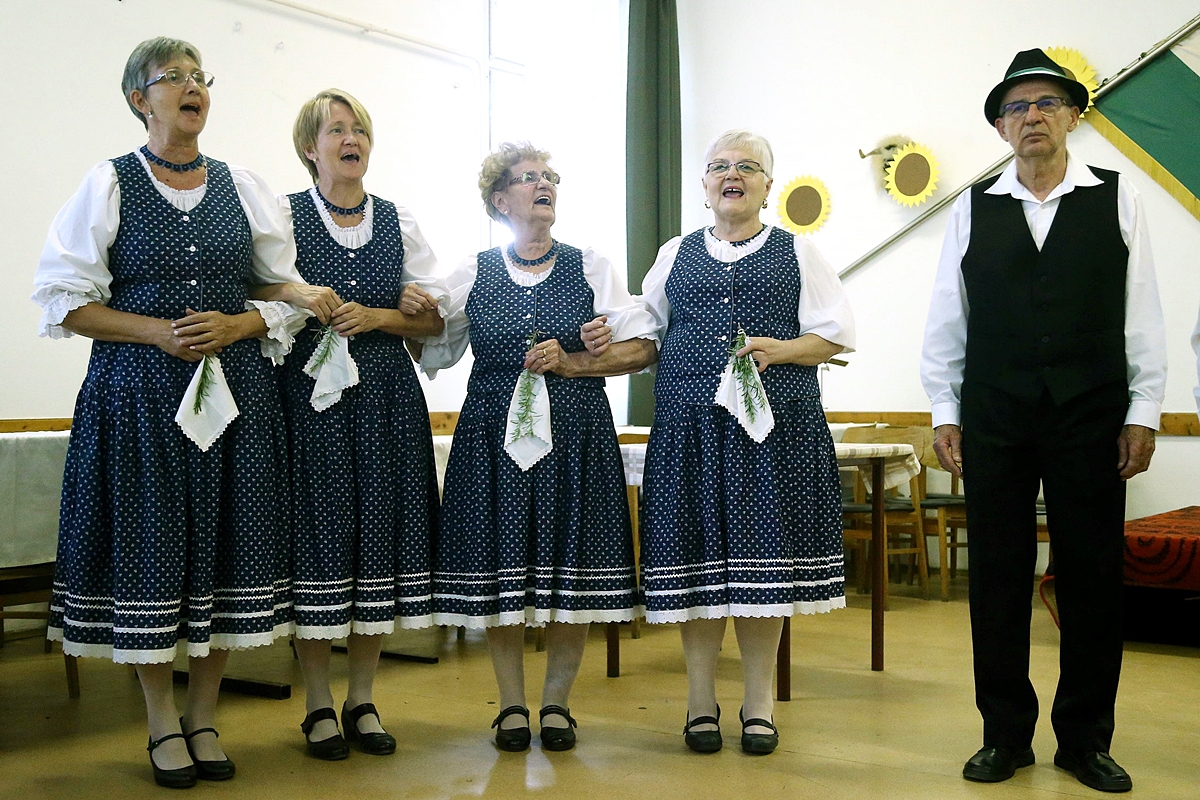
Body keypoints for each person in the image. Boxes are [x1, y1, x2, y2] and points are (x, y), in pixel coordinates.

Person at [31, 37, 336, 788]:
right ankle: (161, 720)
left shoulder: (244, 186)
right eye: (173, 77)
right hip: (137, 395)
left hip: (237, 397)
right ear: (140, 99)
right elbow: (65, 302)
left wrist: (243, 323)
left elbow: (281, 288)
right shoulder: (109, 183)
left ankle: (203, 715)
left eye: (200, 77)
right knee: (152, 549)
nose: (192, 87)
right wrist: (157, 332)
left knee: (230, 547)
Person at [921, 49, 1167, 793]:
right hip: (993, 414)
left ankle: (1085, 741)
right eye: (1018, 107)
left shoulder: (1116, 197)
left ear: (1073, 117)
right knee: (996, 579)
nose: (1033, 116)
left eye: (1047, 103)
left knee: (1092, 578)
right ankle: (1004, 737)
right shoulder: (970, 207)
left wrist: (1144, 411)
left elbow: (1142, 311)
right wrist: (945, 410)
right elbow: (948, 318)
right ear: (1001, 127)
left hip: (1091, 412)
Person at [614, 129, 855, 755]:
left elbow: (836, 333)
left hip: (772, 434)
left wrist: (785, 349)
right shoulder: (675, 253)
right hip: (690, 431)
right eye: (719, 166)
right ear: (704, 184)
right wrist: (600, 333)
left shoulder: (799, 251)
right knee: (695, 568)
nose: (733, 175)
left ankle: (758, 703)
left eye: (748, 167)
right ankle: (700, 701)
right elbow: (645, 324)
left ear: (767, 186)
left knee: (761, 572)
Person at [422, 142, 657, 752]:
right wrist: (408, 306)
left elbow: (642, 347)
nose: (543, 184)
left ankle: (556, 704)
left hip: (576, 433)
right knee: (499, 573)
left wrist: (581, 358)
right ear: (500, 200)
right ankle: (510, 706)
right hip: (492, 436)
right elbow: (433, 343)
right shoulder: (472, 272)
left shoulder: (591, 266)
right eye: (528, 177)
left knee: (570, 571)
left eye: (550, 176)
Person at [279, 89, 446, 760]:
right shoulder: (285, 217)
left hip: (384, 397)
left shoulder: (398, 221)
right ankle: (318, 704)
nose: (352, 140)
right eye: (337, 130)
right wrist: (299, 296)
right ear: (309, 148)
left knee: (378, 535)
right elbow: (259, 290)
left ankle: (363, 698)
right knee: (318, 542)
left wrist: (385, 315)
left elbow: (434, 322)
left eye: (360, 131)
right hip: (309, 401)